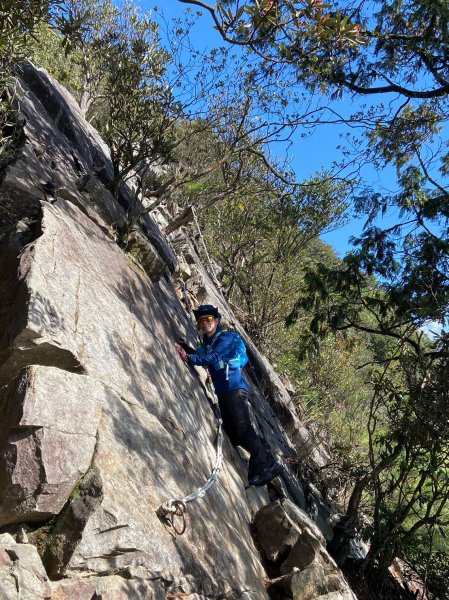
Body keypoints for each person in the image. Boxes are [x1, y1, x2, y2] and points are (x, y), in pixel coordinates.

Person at [176, 304, 282, 487]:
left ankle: (263, 469)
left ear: (216, 321)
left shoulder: (224, 338)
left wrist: (189, 358)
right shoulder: (209, 343)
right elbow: (202, 356)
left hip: (234, 389)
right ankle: (268, 458)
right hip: (224, 391)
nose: (205, 323)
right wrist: (186, 348)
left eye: (209, 319)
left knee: (243, 430)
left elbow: (212, 359)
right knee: (234, 434)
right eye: (201, 320)